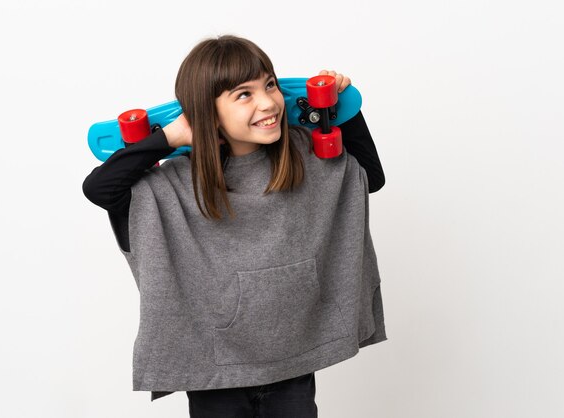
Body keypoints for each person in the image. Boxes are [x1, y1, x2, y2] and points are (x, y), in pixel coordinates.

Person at [83, 35, 387, 418]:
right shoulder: (173, 185)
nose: (267, 102)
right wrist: (170, 137)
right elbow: (99, 188)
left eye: (270, 85)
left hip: (292, 359)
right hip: (215, 370)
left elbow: (369, 178)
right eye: (244, 94)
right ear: (205, 113)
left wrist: (343, 109)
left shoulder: (306, 158)